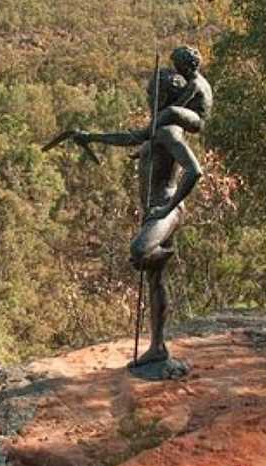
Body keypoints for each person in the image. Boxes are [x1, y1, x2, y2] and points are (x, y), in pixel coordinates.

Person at [72, 46, 212, 365]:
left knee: (139, 252)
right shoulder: (155, 131)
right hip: (153, 209)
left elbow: (195, 171)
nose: (148, 99)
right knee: (155, 279)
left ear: (162, 97)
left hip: (165, 209)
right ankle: (158, 347)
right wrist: (89, 137)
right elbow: (129, 137)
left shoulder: (167, 130)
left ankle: (155, 253)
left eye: (152, 94)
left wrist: (167, 208)